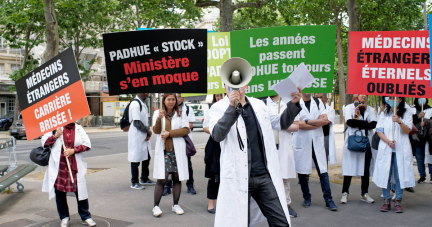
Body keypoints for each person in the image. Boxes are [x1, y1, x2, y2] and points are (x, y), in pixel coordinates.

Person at [209, 84, 302, 227]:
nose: (235, 87)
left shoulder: (259, 105)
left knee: (280, 221)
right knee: (238, 221)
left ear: (246, 85)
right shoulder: (218, 108)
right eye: (231, 83)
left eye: (239, 83)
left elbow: (281, 122)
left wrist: (293, 104)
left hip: (263, 175)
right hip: (238, 176)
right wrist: (232, 107)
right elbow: (217, 135)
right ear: (224, 85)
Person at [42, 123, 96, 227]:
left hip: (74, 166)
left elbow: (87, 144)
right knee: (60, 193)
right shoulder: (53, 126)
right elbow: (44, 143)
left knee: (80, 191)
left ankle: (86, 216)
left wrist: (73, 150)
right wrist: (56, 135)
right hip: (60, 166)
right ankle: (64, 217)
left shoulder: (78, 128)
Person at [294, 93, 338, 211]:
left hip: (317, 143)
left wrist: (307, 122)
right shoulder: (296, 102)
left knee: (323, 172)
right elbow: (297, 124)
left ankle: (329, 200)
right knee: (303, 172)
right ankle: (306, 197)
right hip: (302, 142)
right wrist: (315, 123)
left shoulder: (317, 102)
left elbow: (325, 120)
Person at [373, 96, 415, 213]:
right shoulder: (384, 113)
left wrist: (399, 121)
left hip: (401, 149)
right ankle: (386, 200)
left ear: (400, 99)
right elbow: (379, 130)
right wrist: (388, 142)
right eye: (389, 98)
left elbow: (407, 131)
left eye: (393, 98)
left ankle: (398, 200)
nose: (390, 99)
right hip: (387, 148)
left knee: (399, 175)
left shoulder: (407, 112)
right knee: (385, 174)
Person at [152, 93, 190, 217]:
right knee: (162, 178)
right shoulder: (158, 113)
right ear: (164, 100)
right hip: (165, 151)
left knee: (177, 178)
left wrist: (170, 133)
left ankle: (176, 205)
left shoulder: (181, 113)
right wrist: (159, 118)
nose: (171, 102)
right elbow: (156, 131)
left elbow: (186, 129)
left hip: (177, 151)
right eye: (169, 99)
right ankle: (156, 206)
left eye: (173, 99)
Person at [266, 95, 299, 218]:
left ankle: (286, 204)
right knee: (269, 177)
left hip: (284, 146)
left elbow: (296, 126)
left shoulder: (287, 103)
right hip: (269, 146)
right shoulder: (263, 104)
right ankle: (271, 205)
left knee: (284, 177)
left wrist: (280, 124)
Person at [340, 94, 377, 204]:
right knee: (349, 167)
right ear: (356, 95)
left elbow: (373, 124)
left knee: (365, 169)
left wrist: (359, 124)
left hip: (366, 142)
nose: (363, 96)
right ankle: (345, 193)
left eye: (365, 95)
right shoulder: (349, 108)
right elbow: (350, 122)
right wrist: (366, 123)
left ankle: (364, 193)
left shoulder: (370, 109)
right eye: (361, 94)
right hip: (353, 141)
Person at [163, 93, 196, 195]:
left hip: (183, 142)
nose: (177, 99)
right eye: (175, 97)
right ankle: (168, 186)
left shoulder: (187, 109)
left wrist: (173, 132)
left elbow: (188, 126)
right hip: (170, 143)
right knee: (169, 166)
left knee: (187, 164)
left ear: (183, 97)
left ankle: (190, 185)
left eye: (179, 96)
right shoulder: (167, 111)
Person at [128, 93, 154, 190]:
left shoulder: (142, 103)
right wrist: (148, 131)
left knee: (146, 156)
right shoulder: (135, 104)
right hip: (137, 135)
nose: (147, 94)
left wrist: (147, 132)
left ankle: (144, 178)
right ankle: (134, 182)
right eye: (146, 92)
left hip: (143, 134)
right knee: (136, 158)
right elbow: (136, 122)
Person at [204, 93, 224, 214]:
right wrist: (216, 130)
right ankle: (211, 204)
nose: (218, 98)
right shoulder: (212, 109)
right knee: (214, 176)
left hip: (229, 145)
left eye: (220, 96)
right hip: (215, 145)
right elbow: (205, 127)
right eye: (216, 96)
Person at [412, 98, 432, 183]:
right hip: (417, 137)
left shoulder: (430, 109)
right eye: (420, 99)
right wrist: (418, 117)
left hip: (428, 138)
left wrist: (426, 122)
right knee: (419, 157)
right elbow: (410, 121)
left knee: (430, 157)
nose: (422, 100)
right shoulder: (413, 110)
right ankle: (422, 175)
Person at [316, 93, 337, 164]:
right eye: (317, 97)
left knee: (324, 155)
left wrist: (315, 121)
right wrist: (322, 119)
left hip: (325, 135)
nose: (319, 99)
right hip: (315, 135)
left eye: (320, 97)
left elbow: (327, 121)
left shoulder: (330, 110)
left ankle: (324, 172)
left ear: (325, 99)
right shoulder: (313, 109)